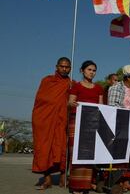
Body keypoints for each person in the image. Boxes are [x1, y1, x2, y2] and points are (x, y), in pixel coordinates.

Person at [32, 57, 72, 190]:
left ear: (70, 69)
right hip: (46, 120)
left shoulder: (71, 84)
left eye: (67, 67)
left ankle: (62, 175)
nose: (64, 69)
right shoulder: (47, 81)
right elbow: (41, 100)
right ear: (57, 67)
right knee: (44, 148)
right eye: (62, 66)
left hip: (62, 121)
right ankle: (47, 178)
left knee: (62, 148)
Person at [68, 60, 104, 194]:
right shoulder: (76, 86)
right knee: (75, 153)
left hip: (91, 124)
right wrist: (73, 104)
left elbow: (101, 107)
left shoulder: (99, 88)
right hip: (77, 122)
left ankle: (85, 186)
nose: (92, 72)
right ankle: (75, 185)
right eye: (89, 69)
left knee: (88, 154)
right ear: (82, 70)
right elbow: (70, 102)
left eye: (94, 70)